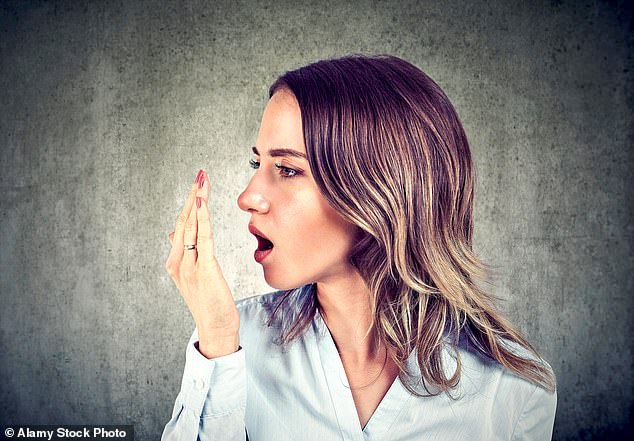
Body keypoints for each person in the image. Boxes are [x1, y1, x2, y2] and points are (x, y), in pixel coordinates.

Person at [161, 54, 557, 441]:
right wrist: (216, 341)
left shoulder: (511, 388)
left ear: (377, 190)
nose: (248, 197)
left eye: (287, 169)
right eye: (257, 165)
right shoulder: (232, 346)